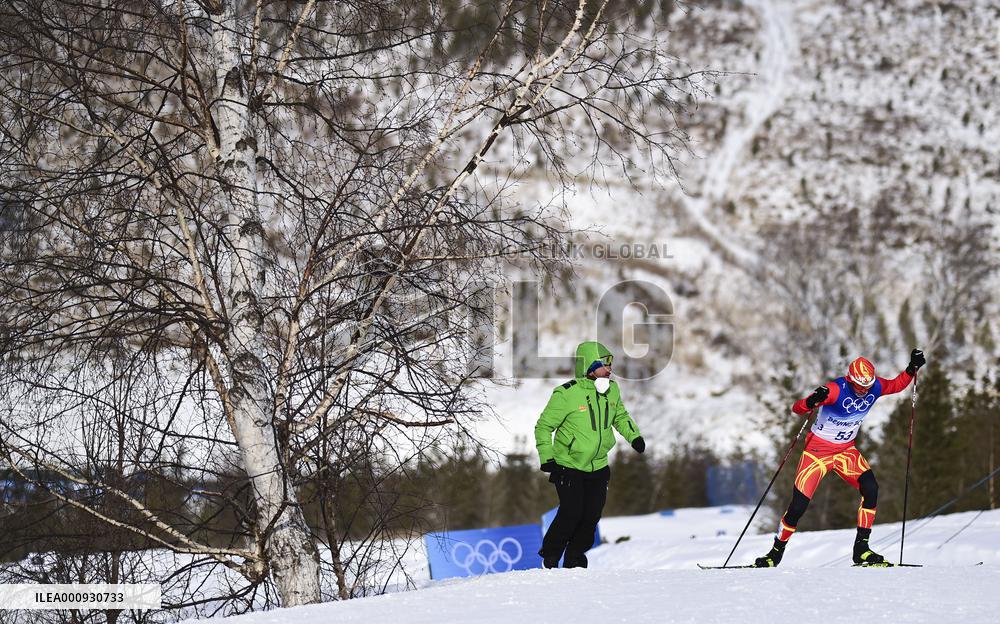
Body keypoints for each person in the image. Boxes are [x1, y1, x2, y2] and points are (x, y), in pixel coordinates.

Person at [753, 348, 926, 567]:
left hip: (845, 451)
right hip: (817, 454)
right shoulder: (835, 390)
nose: (864, 391)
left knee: (871, 488)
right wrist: (812, 400)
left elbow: (896, 384)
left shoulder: (874, 386)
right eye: (859, 386)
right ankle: (774, 554)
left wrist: (912, 368)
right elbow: (797, 409)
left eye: (867, 386)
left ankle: (861, 549)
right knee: (798, 507)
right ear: (850, 380)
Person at [534, 340, 645, 569]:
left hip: (599, 466)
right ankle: (551, 555)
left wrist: (634, 436)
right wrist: (547, 458)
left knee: (591, 516)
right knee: (571, 512)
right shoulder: (567, 394)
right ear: (590, 367)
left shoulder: (612, 390)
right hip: (568, 465)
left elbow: (620, 417)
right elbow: (543, 427)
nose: (609, 369)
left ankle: (575, 558)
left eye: (610, 365)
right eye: (605, 365)